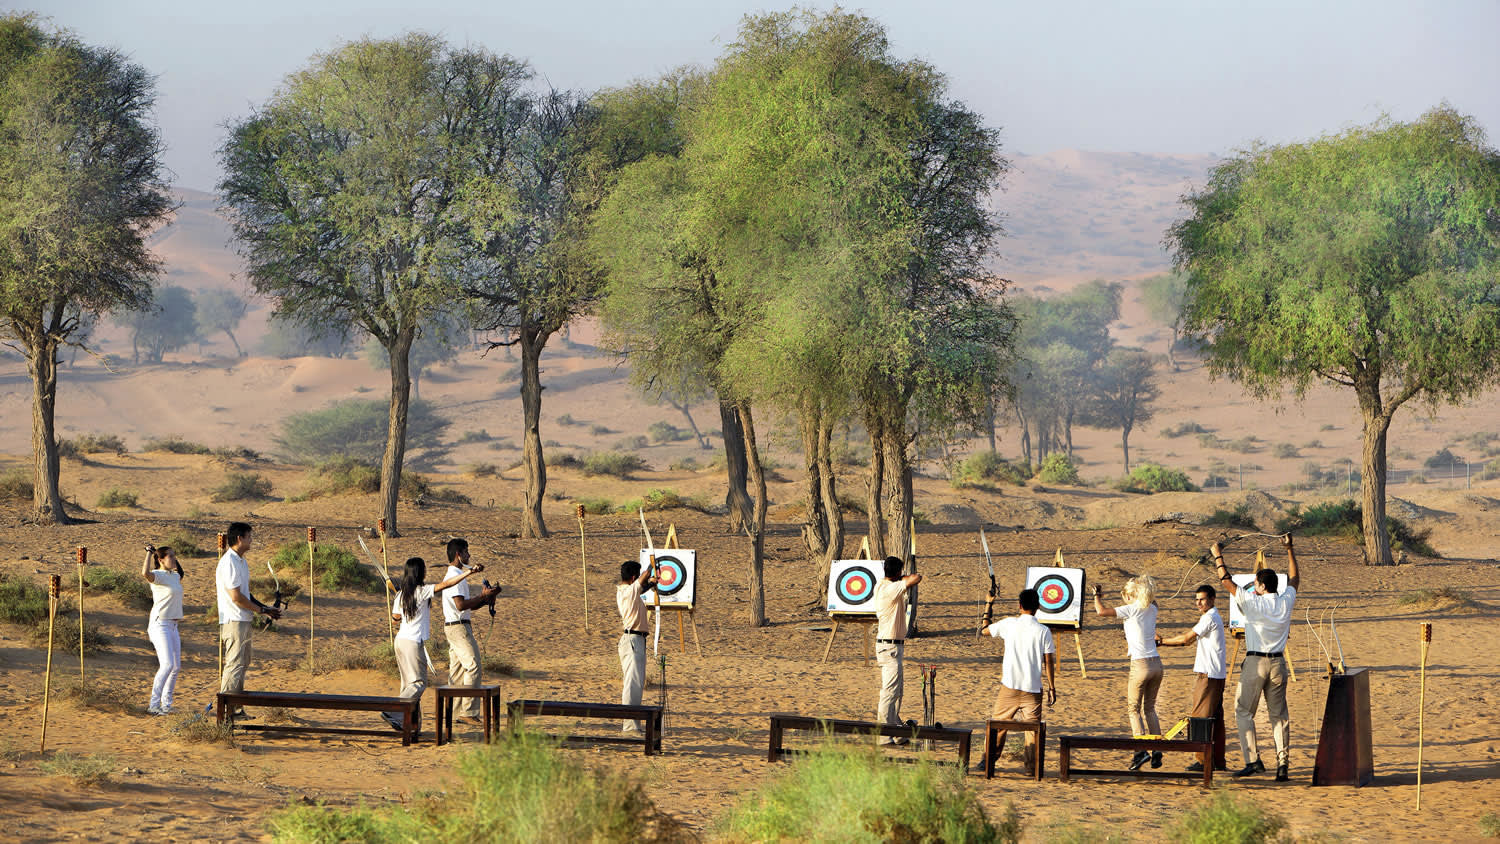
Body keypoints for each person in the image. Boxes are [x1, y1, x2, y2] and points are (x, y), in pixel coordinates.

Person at [1215, 534, 1300, 782]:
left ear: (1262, 587)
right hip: (1278, 663)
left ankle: (1253, 761)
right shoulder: (1285, 601)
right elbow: (1295, 578)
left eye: (1255, 583)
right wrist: (1289, 549)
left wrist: (1217, 555)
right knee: (1279, 715)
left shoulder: (1254, 602)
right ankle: (1283, 763)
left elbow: (1227, 582)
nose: (1253, 586)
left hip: (1256, 662)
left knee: (1243, 711)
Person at [388, 556, 483, 733]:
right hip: (412, 642)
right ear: (420, 572)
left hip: (400, 641)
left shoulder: (401, 594)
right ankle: (395, 711)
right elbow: (446, 584)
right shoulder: (421, 591)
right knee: (418, 683)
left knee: (408, 684)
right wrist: (468, 573)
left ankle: (409, 726)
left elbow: (395, 619)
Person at [978, 588, 1058, 771]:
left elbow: (984, 630)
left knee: (998, 726)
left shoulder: (1009, 624)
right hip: (1033, 689)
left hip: (1010, 687)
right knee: (1032, 731)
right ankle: (1032, 768)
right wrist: (1052, 687)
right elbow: (1048, 661)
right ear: (1038, 606)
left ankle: (987, 761)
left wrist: (988, 604)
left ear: (1020, 606)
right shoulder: (1043, 630)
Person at [1156, 584, 1228, 771]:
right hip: (1214, 674)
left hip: (1209, 675)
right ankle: (1218, 761)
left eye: (1202, 599)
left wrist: (1161, 642)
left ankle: (1204, 761)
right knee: (1215, 720)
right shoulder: (1210, 617)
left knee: (1201, 718)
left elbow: (1186, 639)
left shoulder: (1210, 617)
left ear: (1212, 599)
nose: (1198, 603)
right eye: (1196, 599)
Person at [1094, 574, 1162, 770]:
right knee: (1149, 708)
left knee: (1134, 709)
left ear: (1131, 595)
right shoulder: (1153, 608)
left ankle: (1141, 751)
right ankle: (1157, 749)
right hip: (1157, 663)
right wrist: (1143, 583)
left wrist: (1096, 595)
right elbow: (1153, 598)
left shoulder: (1131, 609)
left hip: (1140, 665)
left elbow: (1101, 611)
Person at [215, 522, 281, 719]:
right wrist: (260, 609)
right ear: (239, 539)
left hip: (242, 619)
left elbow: (246, 594)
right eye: (249, 536)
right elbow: (236, 597)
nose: (252, 540)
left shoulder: (241, 561)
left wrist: (266, 609)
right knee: (234, 663)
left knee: (243, 662)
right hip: (233, 619)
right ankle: (227, 711)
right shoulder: (229, 562)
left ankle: (236, 708)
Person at [438, 538, 501, 726]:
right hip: (458, 627)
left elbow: (468, 607)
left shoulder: (456, 576)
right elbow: (461, 605)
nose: (469, 555)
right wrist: (482, 596)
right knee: (473, 665)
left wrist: (486, 599)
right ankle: (468, 711)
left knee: (457, 671)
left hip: (455, 626)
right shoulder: (455, 576)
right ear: (458, 555)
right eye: (466, 552)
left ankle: (455, 712)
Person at [873, 555, 921, 745]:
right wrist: (903, 578)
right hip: (889, 647)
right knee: (889, 692)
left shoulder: (883, 585)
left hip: (893, 646)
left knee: (897, 691)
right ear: (898, 572)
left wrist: (900, 576)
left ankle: (897, 731)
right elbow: (917, 578)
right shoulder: (889, 588)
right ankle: (883, 734)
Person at [142, 544, 185, 715]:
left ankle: (166, 704)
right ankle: (153, 705)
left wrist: (174, 560)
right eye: (171, 557)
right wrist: (149, 553)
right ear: (160, 560)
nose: (174, 559)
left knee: (176, 667)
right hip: (160, 624)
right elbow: (145, 574)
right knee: (167, 664)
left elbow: (180, 573)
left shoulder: (174, 576)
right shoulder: (158, 576)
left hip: (173, 625)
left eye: (175, 556)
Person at [616, 559, 657, 732]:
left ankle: (632, 724)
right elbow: (642, 579)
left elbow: (641, 587)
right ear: (633, 577)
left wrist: (651, 584)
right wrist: (653, 565)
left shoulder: (630, 591)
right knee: (632, 684)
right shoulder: (627, 592)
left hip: (635, 641)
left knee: (636, 683)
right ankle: (630, 726)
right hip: (632, 641)